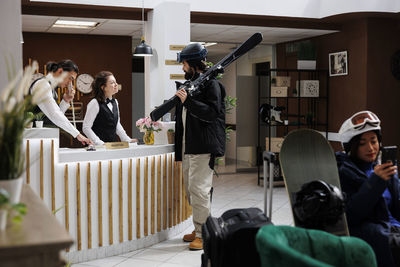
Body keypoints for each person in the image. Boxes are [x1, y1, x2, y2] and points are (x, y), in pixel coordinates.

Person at [174, 43, 226, 250]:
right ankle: (199, 228)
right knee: (191, 190)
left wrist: (189, 102)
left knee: (199, 190)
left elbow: (212, 113)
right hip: (190, 147)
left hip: (203, 146)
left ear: (191, 63)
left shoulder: (211, 84)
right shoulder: (194, 83)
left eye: (184, 63)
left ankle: (204, 235)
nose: (182, 68)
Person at [336, 111, 399, 267]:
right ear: (352, 146)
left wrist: (394, 181)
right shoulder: (343, 172)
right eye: (362, 143)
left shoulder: (381, 167)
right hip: (377, 233)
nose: (371, 148)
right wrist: (375, 183)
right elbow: (350, 215)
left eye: (374, 140)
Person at [30, 60, 92, 145]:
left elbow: (54, 117)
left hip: (45, 138)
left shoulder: (51, 88)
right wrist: (78, 134)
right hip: (34, 139)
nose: (70, 83)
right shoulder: (43, 84)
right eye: (70, 78)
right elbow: (54, 114)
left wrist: (66, 100)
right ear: (60, 71)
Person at [83, 71, 137, 145]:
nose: (116, 84)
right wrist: (100, 143)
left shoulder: (115, 102)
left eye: (115, 82)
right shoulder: (94, 103)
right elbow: (86, 127)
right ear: (103, 87)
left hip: (112, 145)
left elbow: (116, 124)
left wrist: (127, 139)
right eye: (112, 83)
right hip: (98, 148)